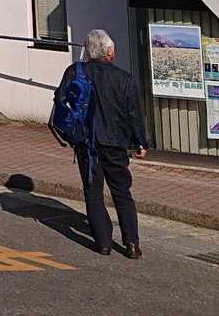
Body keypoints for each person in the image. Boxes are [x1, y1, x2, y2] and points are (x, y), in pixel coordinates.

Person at [54, 28, 150, 258]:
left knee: (93, 192)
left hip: (86, 142)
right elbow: (134, 115)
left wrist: (70, 132)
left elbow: (60, 99)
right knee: (122, 192)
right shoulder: (124, 78)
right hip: (116, 143)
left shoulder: (75, 72)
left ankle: (103, 243)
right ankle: (132, 243)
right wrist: (141, 142)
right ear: (109, 52)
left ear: (88, 51)